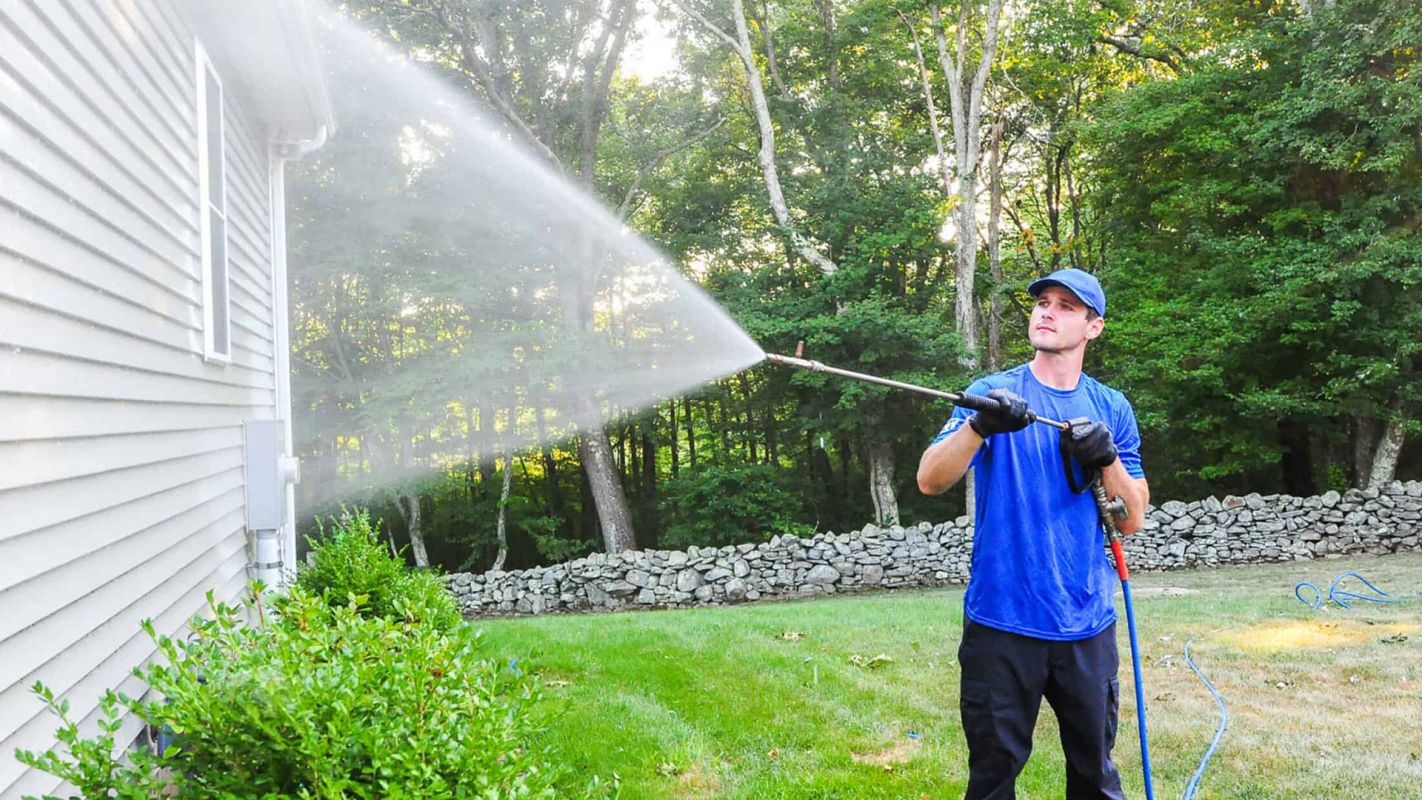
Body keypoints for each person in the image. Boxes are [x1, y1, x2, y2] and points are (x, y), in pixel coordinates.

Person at [917, 268, 1150, 800]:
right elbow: (930, 479)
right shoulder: (991, 395)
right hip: (1000, 622)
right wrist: (979, 427)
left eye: (1067, 306)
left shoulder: (1112, 408)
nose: (1047, 311)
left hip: (1085, 622)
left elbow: (1131, 518)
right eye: (1043, 302)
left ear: (1094, 327)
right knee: (993, 777)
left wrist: (1107, 457)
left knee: (1095, 776)